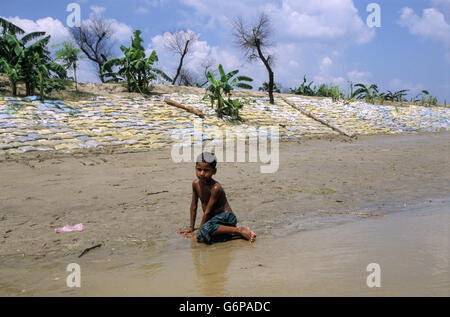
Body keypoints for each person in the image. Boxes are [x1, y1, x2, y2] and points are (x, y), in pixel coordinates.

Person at [177, 152, 256, 244]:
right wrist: (191, 228)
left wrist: (198, 231)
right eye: (199, 169)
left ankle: (239, 230)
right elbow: (193, 206)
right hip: (214, 222)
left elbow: (207, 212)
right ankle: (237, 234)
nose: (202, 173)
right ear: (195, 168)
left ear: (214, 171)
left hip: (227, 218)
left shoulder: (215, 188)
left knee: (203, 231)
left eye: (206, 170)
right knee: (201, 239)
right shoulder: (195, 184)